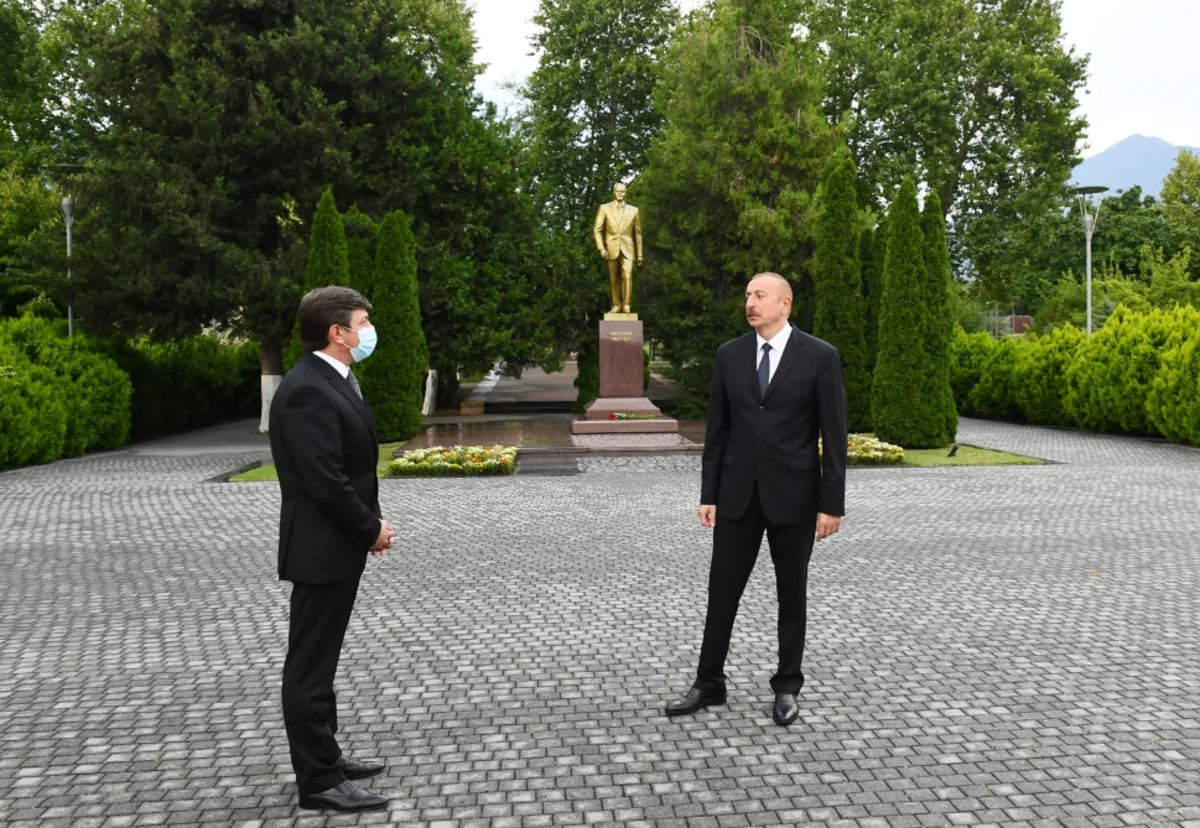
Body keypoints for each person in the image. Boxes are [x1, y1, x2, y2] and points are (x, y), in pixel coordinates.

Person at [665, 272, 848, 726]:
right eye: (747, 295)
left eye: (760, 295)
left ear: (785, 304)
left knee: (792, 594)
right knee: (722, 592)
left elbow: (834, 435)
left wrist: (831, 504)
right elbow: (717, 432)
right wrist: (709, 493)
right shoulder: (729, 355)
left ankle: (787, 685)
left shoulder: (820, 356)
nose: (750, 302)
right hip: (736, 496)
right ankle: (709, 682)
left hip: (795, 498)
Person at [269, 286, 393, 812]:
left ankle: (328, 756)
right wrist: (370, 529)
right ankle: (318, 780)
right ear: (336, 332)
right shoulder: (306, 389)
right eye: (362, 323)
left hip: (335, 546)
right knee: (310, 667)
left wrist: (366, 526)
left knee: (321, 662)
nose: (368, 331)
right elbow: (326, 480)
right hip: (321, 548)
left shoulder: (331, 379)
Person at [592, 182, 644, 314]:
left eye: (623, 191)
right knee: (613, 278)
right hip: (611, 248)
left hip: (628, 248)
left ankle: (626, 304)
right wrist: (601, 248)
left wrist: (640, 254)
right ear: (614, 192)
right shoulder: (604, 208)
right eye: (618, 191)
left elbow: (638, 233)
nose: (621, 194)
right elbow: (597, 230)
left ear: (626, 193)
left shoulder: (634, 210)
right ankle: (616, 305)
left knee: (628, 276)